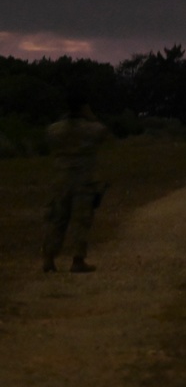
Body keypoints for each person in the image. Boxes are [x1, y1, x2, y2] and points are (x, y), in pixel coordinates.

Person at [42, 88, 110, 274]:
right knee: (81, 221)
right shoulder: (91, 128)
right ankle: (77, 260)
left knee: (56, 219)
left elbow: (49, 136)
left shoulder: (55, 130)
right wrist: (90, 115)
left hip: (60, 179)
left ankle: (48, 259)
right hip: (83, 180)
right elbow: (103, 132)